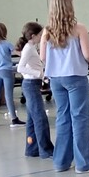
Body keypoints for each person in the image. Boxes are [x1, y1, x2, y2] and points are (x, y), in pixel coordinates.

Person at [41, 0, 89, 174]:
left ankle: (61, 162)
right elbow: (88, 55)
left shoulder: (47, 31)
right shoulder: (79, 29)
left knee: (63, 118)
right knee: (80, 119)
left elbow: (43, 57)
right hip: (75, 77)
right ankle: (84, 163)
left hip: (56, 79)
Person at [16, 22, 54, 160]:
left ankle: (32, 149)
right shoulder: (28, 48)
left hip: (33, 84)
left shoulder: (31, 47)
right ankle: (46, 150)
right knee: (40, 118)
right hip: (30, 84)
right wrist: (39, 74)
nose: (41, 37)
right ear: (33, 36)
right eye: (40, 35)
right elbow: (20, 68)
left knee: (32, 119)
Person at [0, 23, 24, 129]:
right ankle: (14, 119)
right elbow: (19, 53)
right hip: (6, 71)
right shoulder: (7, 44)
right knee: (8, 95)